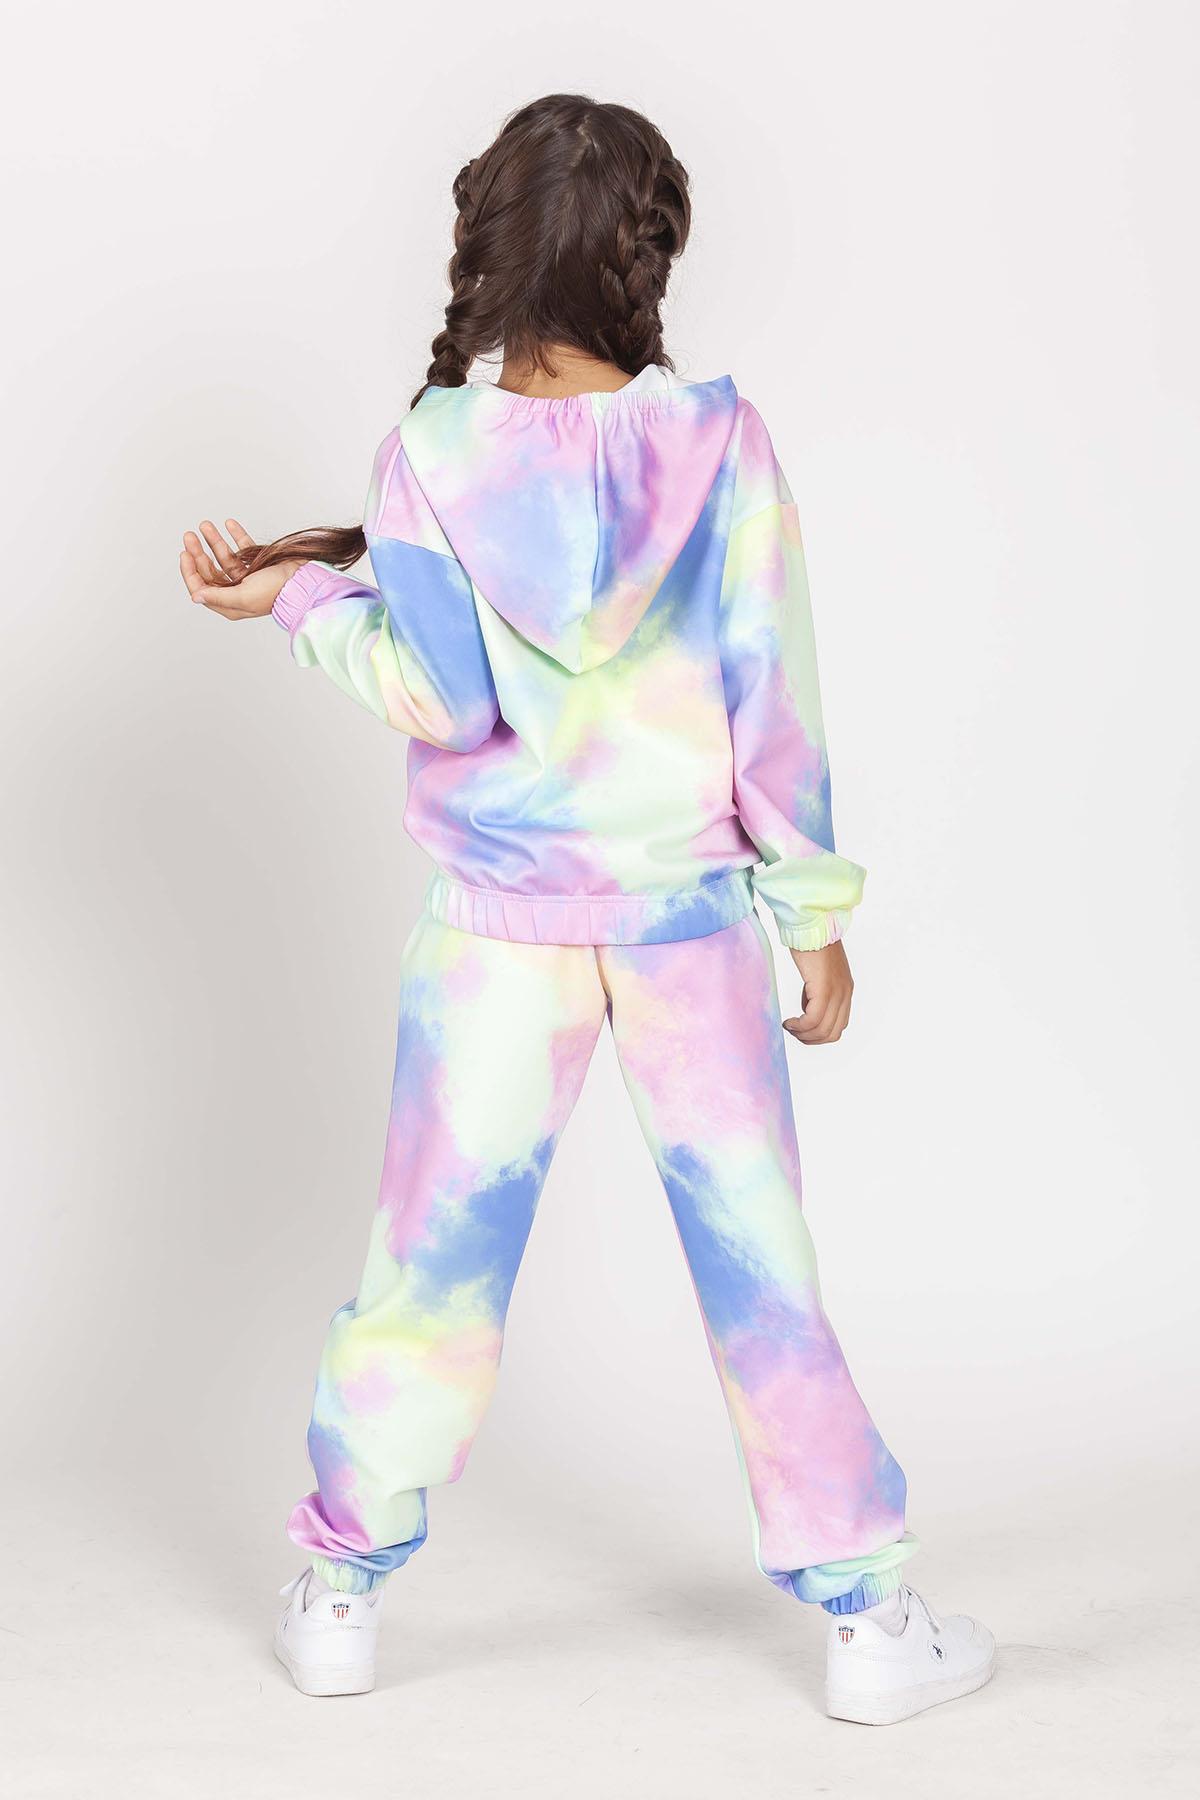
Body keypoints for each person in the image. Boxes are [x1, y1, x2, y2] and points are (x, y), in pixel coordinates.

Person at [180, 93, 994, 1724]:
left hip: (497, 932)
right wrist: (813, 912)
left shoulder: (432, 453)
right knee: (762, 1270)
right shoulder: (724, 449)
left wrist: (303, 600)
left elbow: (441, 696)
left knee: (428, 1266)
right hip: (688, 926)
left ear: (485, 251)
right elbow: (774, 695)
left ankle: (342, 1591)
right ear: (646, 257)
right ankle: (864, 1621)